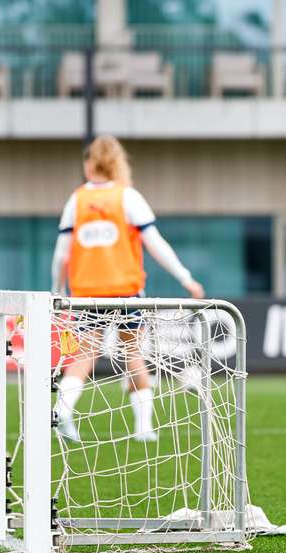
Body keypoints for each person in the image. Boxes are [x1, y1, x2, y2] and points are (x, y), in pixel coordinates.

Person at [50, 135, 204, 442]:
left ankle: (62, 412)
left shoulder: (77, 199)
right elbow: (155, 243)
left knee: (84, 355)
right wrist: (185, 277)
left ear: (88, 164)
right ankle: (143, 427)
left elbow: (61, 253)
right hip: (125, 290)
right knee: (133, 353)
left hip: (86, 293)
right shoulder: (128, 197)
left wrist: (57, 290)